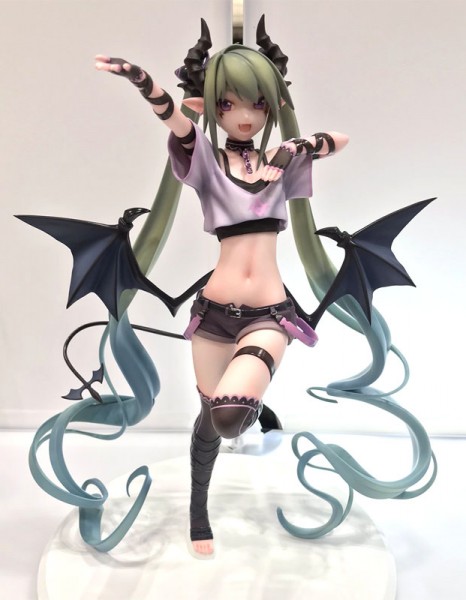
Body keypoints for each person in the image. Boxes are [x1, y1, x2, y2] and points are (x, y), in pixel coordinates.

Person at [95, 24, 348, 556]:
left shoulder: (282, 163)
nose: (245, 115)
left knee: (231, 416)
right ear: (210, 106)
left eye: (258, 103)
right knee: (210, 422)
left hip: (270, 314)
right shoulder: (206, 162)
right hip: (212, 314)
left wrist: (295, 146)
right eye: (229, 103)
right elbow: (173, 118)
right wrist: (140, 80)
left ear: (273, 105)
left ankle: (255, 409)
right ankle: (198, 511)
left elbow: (339, 140)